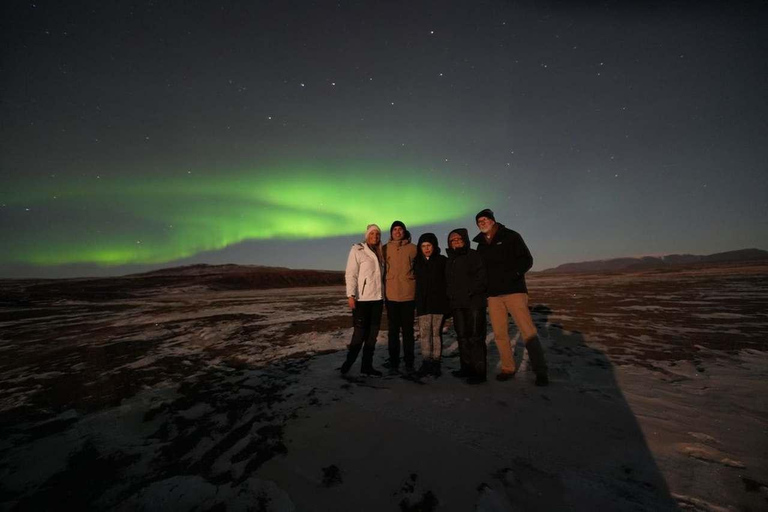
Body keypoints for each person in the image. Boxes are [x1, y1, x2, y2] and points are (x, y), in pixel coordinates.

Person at [472, 208, 549, 386]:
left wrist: (513, 275)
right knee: (500, 333)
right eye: (479, 222)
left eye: (484, 220)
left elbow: (526, 259)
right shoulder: (481, 245)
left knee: (528, 332)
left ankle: (541, 371)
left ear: (492, 220)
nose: (482, 223)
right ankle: (508, 368)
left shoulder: (511, 236)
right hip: (493, 296)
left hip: (514, 292)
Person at [445, 228, 488, 384]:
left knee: (476, 338)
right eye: (452, 240)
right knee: (462, 338)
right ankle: (466, 368)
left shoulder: (474, 255)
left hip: (474, 303)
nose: (455, 241)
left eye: (458, 239)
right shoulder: (450, 260)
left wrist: (470, 291)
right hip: (457, 305)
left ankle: (479, 373)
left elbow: (482, 277)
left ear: (465, 239)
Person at [342, 224, 385, 376]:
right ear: (367, 235)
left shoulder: (381, 252)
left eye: (378, 234)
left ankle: (367, 366)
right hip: (362, 300)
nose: (375, 236)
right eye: (372, 233)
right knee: (359, 335)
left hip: (377, 300)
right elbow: (351, 274)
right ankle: (347, 365)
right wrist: (351, 295)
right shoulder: (357, 249)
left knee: (372, 336)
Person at [383, 220, 417, 373]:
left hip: (408, 295)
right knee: (393, 331)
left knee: (408, 331)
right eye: (394, 229)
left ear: (404, 231)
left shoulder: (413, 248)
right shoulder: (384, 249)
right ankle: (394, 361)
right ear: (391, 232)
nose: (397, 232)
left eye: (400, 229)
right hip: (391, 296)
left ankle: (409, 361)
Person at [413, 233, 449, 378]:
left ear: (434, 246)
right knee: (425, 334)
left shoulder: (442, 261)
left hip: (438, 304)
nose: (426, 249)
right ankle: (426, 361)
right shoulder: (417, 263)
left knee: (436, 334)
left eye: (429, 245)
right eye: (423, 246)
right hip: (423, 304)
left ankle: (436, 362)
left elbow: (447, 282)